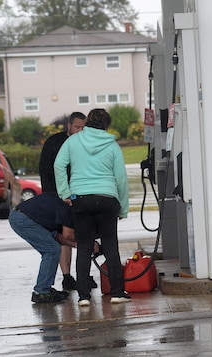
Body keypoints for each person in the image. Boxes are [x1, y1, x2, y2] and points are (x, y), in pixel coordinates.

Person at [54, 108, 131, 306]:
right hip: (107, 198)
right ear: (107, 125)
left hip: (81, 198)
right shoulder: (112, 146)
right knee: (110, 245)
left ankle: (84, 297)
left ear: (87, 122)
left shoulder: (73, 141)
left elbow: (58, 165)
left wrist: (65, 192)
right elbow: (121, 178)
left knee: (85, 246)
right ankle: (117, 292)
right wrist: (122, 208)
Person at [38, 112, 91, 291]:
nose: (80, 131)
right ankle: (67, 276)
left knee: (83, 234)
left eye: (83, 127)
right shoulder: (54, 143)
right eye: (77, 127)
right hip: (58, 196)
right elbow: (46, 171)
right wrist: (53, 197)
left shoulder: (85, 142)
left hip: (81, 195)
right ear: (69, 125)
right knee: (64, 237)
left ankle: (85, 274)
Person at [8, 192, 75, 303]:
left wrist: (78, 245)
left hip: (21, 215)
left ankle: (45, 289)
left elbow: (58, 236)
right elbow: (68, 235)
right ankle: (41, 292)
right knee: (51, 250)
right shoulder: (67, 206)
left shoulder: (64, 201)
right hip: (22, 218)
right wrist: (87, 245)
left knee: (53, 248)